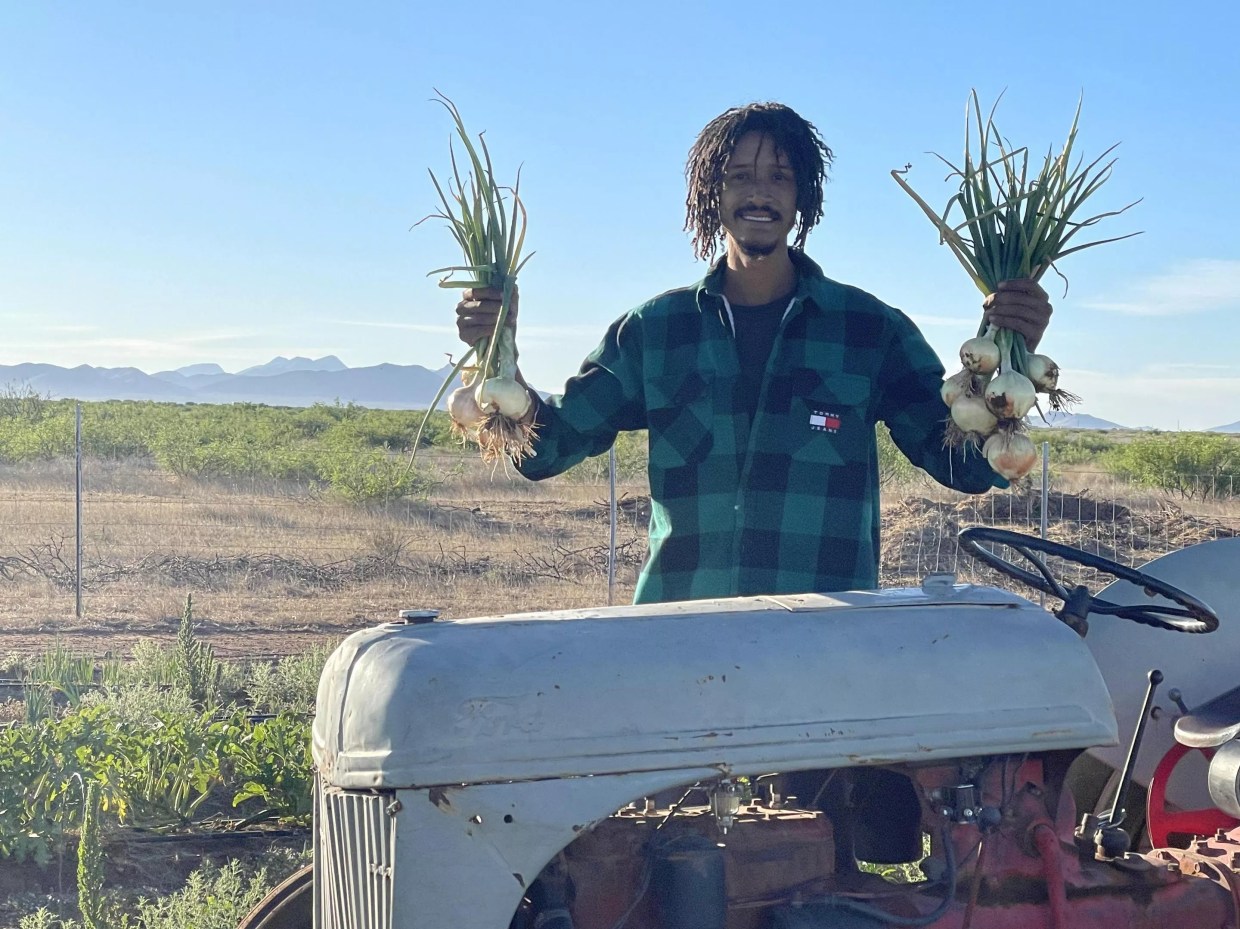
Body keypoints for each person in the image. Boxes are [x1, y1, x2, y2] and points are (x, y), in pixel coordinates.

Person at [455, 102, 1051, 605]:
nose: (759, 192)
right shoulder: (654, 332)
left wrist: (1013, 358)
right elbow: (548, 447)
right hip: (682, 631)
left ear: (803, 198)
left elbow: (963, 467)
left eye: (780, 177)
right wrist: (497, 356)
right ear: (712, 195)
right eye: (740, 177)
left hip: (822, 640)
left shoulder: (869, 331)